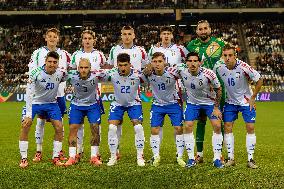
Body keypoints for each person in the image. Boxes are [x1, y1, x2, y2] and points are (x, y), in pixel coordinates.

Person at [24, 28, 70, 162]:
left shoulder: (64, 54)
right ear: (45, 38)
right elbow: (32, 72)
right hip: (41, 94)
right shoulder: (37, 53)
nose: (52, 38)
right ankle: (39, 151)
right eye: (49, 36)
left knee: (59, 123)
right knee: (40, 121)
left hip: (59, 93)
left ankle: (59, 151)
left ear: (58, 38)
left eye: (54, 36)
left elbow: (68, 72)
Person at [213, 44, 263, 169]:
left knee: (250, 127)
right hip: (230, 102)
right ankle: (231, 158)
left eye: (230, 55)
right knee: (228, 127)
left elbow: (259, 79)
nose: (228, 58)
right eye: (225, 55)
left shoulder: (244, 67)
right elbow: (212, 81)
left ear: (235, 55)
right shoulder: (218, 67)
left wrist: (253, 97)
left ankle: (250, 159)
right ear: (222, 56)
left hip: (246, 102)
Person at [172, 52, 223, 168]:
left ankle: (217, 158)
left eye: (195, 61)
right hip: (192, 103)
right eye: (190, 61)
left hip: (209, 103)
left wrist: (216, 107)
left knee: (217, 126)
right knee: (188, 125)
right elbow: (167, 69)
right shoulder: (181, 69)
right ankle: (191, 158)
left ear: (200, 62)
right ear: (186, 63)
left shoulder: (209, 74)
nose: (192, 63)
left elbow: (219, 89)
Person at [186, 20, 225, 163]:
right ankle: (200, 154)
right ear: (197, 31)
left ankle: (219, 154)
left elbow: (228, 58)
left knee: (219, 122)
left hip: (218, 88)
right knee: (200, 121)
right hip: (199, 90)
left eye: (205, 28)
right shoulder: (191, 45)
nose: (203, 31)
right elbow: (186, 62)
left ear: (210, 29)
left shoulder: (220, 43)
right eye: (200, 29)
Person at [107, 26, 148, 159]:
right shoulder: (114, 50)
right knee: (115, 125)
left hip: (133, 91)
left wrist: (144, 75)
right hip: (118, 91)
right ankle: (115, 152)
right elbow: (109, 67)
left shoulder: (140, 50)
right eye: (124, 34)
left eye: (129, 34)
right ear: (121, 35)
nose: (126, 36)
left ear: (133, 35)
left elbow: (146, 66)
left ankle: (140, 156)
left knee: (137, 126)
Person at [19, 51, 66, 168]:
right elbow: (29, 94)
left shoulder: (61, 74)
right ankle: (24, 158)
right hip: (34, 102)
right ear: (45, 61)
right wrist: (29, 114)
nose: (52, 64)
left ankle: (55, 157)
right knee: (25, 125)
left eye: (55, 62)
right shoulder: (35, 73)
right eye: (49, 62)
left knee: (59, 127)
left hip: (51, 103)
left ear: (58, 63)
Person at [69, 30, 107, 161]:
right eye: (85, 38)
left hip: (95, 96)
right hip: (79, 95)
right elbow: (72, 72)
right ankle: (78, 151)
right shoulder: (76, 55)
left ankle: (95, 153)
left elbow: (104, 70)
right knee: (78, 126)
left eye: (90, 38)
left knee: (96, 126)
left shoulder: (99, 55)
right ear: (82, 40)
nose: (87, 40)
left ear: (94, 40)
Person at [143, 52, 185, 167]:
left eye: (160, 61)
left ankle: (179, 156)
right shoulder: (148, 74)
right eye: (155, 62)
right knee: (154, 129)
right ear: (151, 63)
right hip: (157, 105)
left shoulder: (173, 73)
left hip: (173, 104)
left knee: (179, 128)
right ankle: (156, 156)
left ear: (164, 62)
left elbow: (185, 75)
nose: (157, 64)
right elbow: (138, 78)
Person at [104, 53, 145, 167]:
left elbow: (151, 79)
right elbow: (97, 77)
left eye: (125, 65)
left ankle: (140, 156)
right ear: (117, 65)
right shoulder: (112, 73)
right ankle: (113, 156)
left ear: (130, 64)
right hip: (117, 104)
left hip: (134, 104)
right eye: (120, 65)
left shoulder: (138, 75)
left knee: (138, 127)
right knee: (112, 127)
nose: (122, 68)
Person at [148, 26, 188, 142]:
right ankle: (157, 152)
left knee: (177, 124)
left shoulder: (179, 49)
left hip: (176, 87)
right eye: (164, 33)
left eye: (168, 34)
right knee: (157, 124)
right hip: (159, 86)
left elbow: (189, 62)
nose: (166, 36)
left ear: (171, 36)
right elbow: (148, 66)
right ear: (160, 36)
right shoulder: (153, 49)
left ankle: (179, 152)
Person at [65, 58, 104, 167]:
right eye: (81, 67)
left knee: (95, 128)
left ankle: (94, 156)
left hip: (92, 105)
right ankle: (72, 157)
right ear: (78, 68)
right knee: (73, 128)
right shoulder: (71, 75)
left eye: (86, 67)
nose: (83, 70)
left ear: (90, 68)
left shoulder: (97, 75)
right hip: (76, 105)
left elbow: (114, 74)